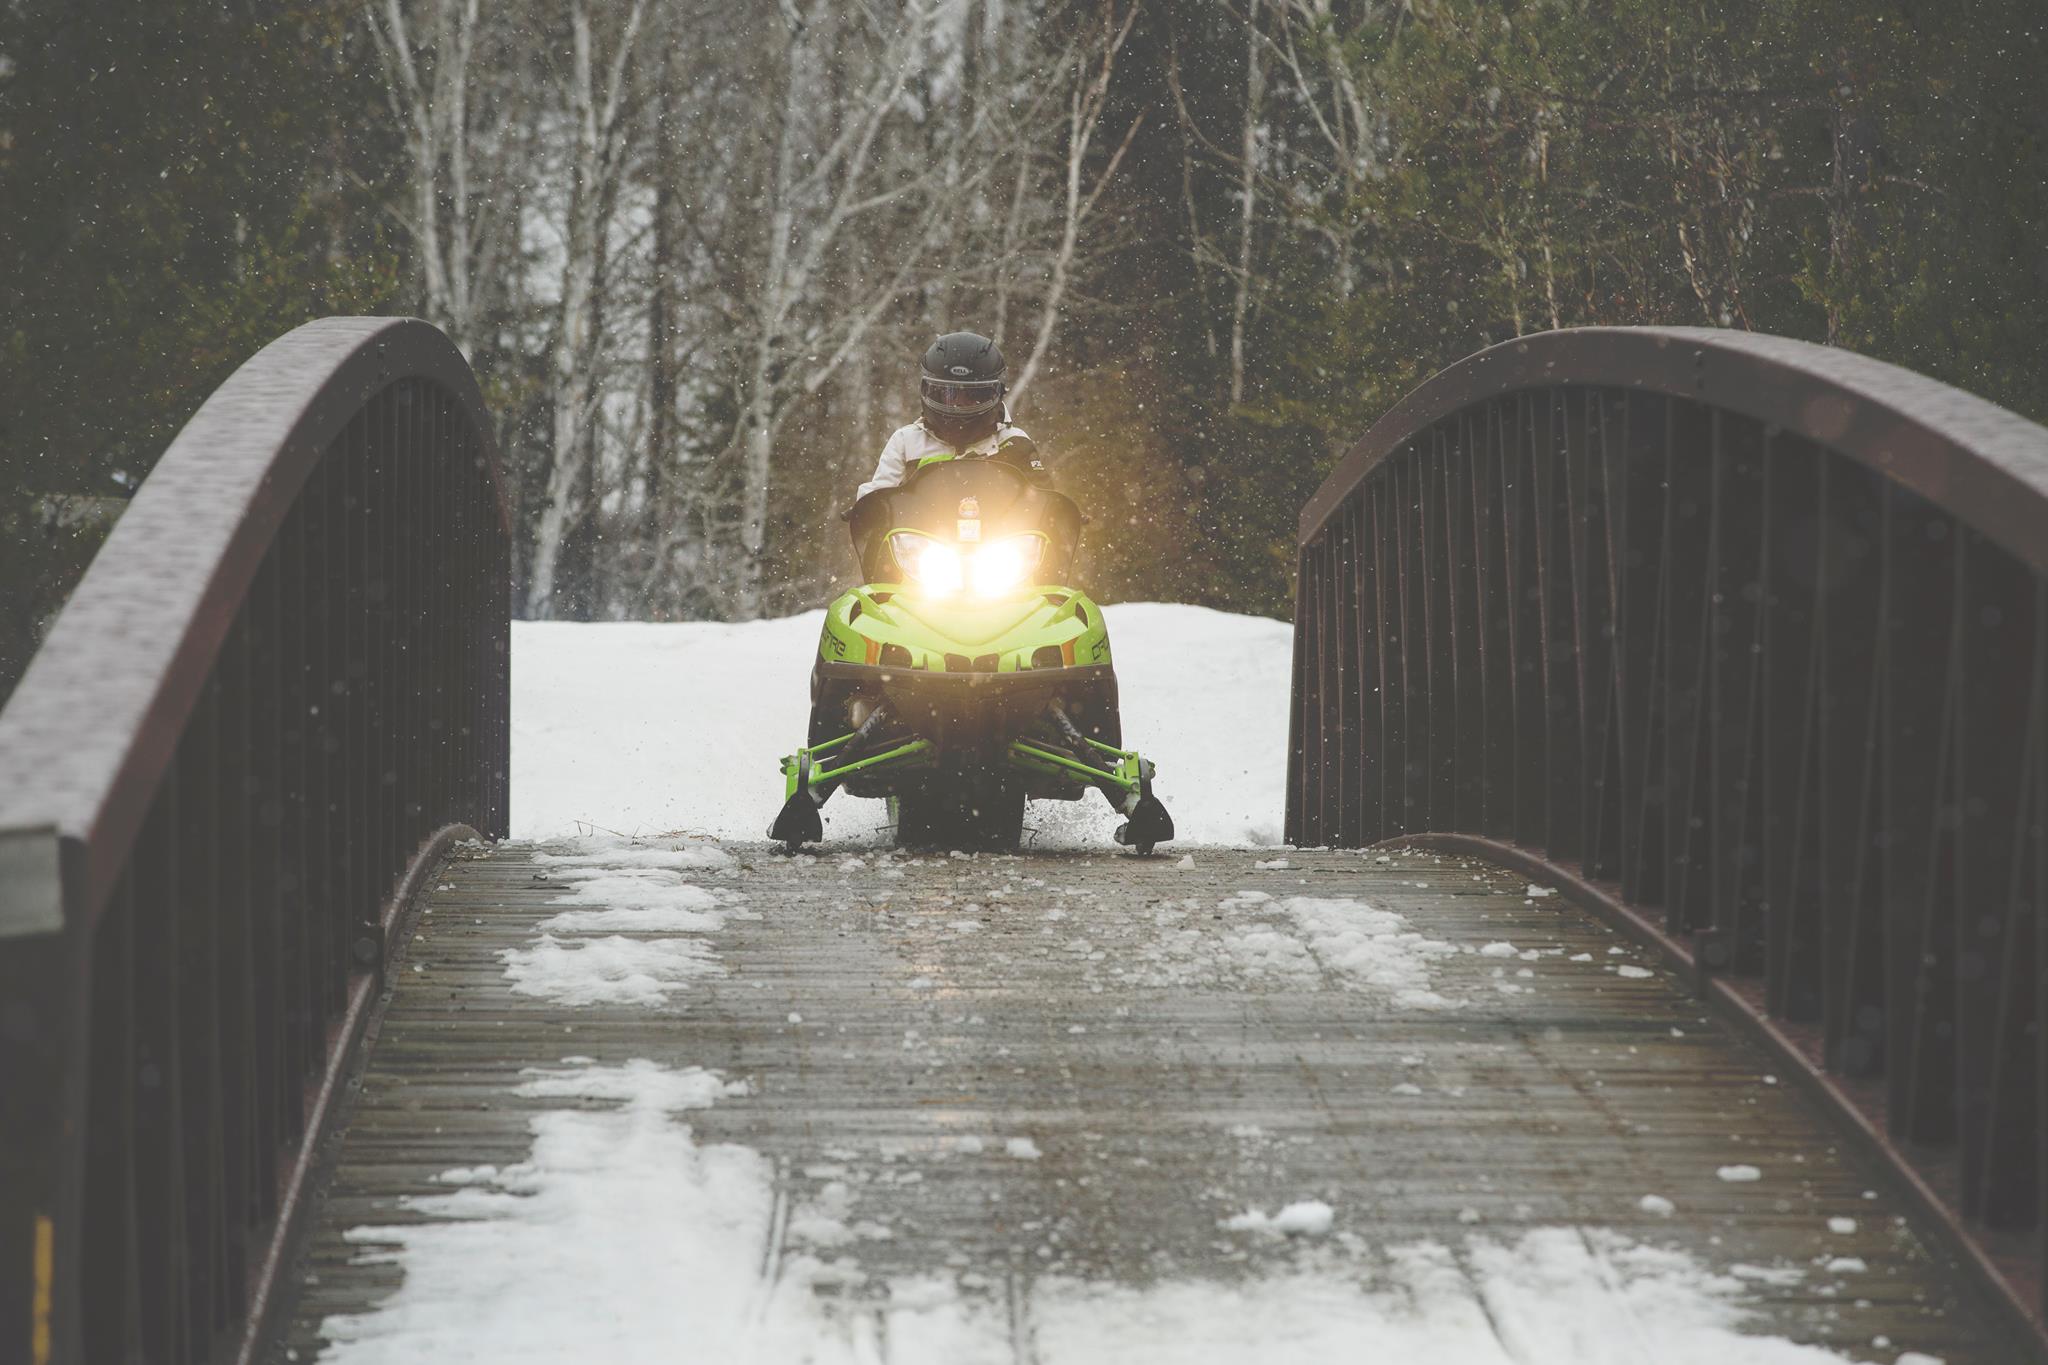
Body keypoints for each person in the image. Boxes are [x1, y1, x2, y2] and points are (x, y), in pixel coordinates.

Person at [856, 331, 1050, 500]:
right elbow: (879, 497)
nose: (958, 404)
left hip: (1001, 538)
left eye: (973, 396)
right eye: (948, 394)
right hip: (922, 538)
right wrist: (866, 507)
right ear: (928, 391)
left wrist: (1061, 513)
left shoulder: (1014, 442)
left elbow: (1043, 500)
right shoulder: (906, 441)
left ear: (995, 394)